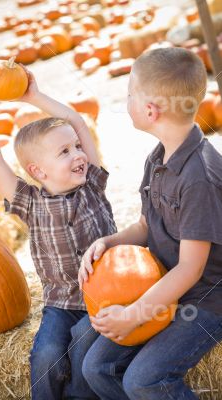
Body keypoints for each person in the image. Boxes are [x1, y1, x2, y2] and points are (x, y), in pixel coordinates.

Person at [78, 47, 222, 400]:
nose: (125, 100)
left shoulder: (199, 176)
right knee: (95, 367)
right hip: (162, 290)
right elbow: (146, 224)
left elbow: (190, 269)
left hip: (203, 301)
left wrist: (133, 315)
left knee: (142, 380)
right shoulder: (158, 157)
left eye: (129, 93)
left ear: (150, 110)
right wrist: (110, 242)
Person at [0, 67, 115, 400]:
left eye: (77, 147)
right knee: (47, 354)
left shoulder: (92, 184)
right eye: (64, 152)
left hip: (107, 295)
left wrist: (33, 96)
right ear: (38, 171)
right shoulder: (30, 203)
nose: (78, 155)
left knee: (83, 341)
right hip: (61, 302)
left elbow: (79, 122)